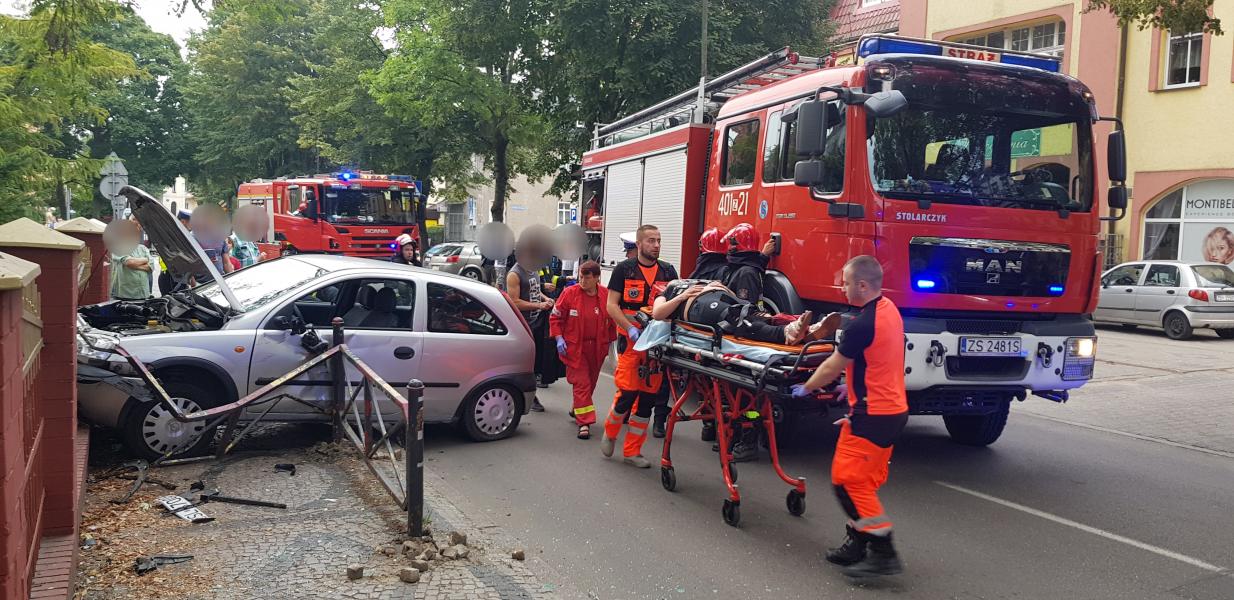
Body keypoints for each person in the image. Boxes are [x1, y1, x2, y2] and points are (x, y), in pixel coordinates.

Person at [791, 255, 908, 578]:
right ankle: (857, 544)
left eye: (845, 282)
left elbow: (831, 365)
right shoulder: (889, 311)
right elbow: (881, 358)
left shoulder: (861, 325)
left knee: (848, 483)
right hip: (888, 410)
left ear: (861, 285)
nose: (841, 288)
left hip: (874, 414)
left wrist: (806, 388)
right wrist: (852, 387)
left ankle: (883, 551)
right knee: (862, 480)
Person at [600, 225, 678, 468]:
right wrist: (629, 327)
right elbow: (612, 305)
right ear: (640, 243)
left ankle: (632, 451)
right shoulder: (624, 269)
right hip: (631, 343)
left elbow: (675, 305)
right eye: (651, 241)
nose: (656, 245)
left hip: (656, 346)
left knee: (647, 401)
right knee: (627, 394)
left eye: (659, 240)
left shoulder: (668, 271)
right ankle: (610, 433)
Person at [550, 261, 615, 439]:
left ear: (596, 278)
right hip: (574, 347)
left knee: (590, 383)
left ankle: (577, 408)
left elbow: (612, 318)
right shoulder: (569, 293)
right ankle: (584, 422)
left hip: (597, 348)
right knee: (582, 383)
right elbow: (555, 318)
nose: (582, 281)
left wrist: (611, 341)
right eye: (580, 277)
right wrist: (558, 338)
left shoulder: (604, 293)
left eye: (586, 278)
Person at [507, 236, 556, 409]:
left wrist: (545, 297)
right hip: (524, 324)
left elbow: (535, 289)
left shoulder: (533, 269)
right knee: (526, 364)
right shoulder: (514, 274)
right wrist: (539, 305)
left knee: (537, 362)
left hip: (538, 322)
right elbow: (515, 302)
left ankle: (531, 392)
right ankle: (529, 397)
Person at [721, 223, 777, 303]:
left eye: (732, 242)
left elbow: (745, 309)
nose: (729, 247)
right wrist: (763, 257)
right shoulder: (740, 269)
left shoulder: (747, 273)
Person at [109, 220, 153, 300]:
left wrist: (135, 265)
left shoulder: (143, 248)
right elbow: (129, 262)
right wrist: (145, 260)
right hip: (125, 295)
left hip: (143, 294)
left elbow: (150, 267)